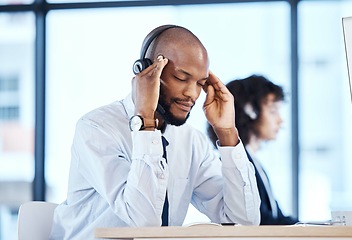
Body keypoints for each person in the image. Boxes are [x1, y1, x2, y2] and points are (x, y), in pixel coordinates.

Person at [49, 25, 260, 239]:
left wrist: (227, 134)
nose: (192, 94)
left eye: (201, 83)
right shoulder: (96, 129)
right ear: (146, 71)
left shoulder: (191, 142)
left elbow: (242, 223)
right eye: (181, 78)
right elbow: (143, 221)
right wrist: (146, 123)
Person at [207, 75, 298, 225]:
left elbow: (277, 217)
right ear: (250, 111)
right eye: (273, 111)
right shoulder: (233, 165)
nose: (280, 120)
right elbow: (262, 221)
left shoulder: (254, 162)